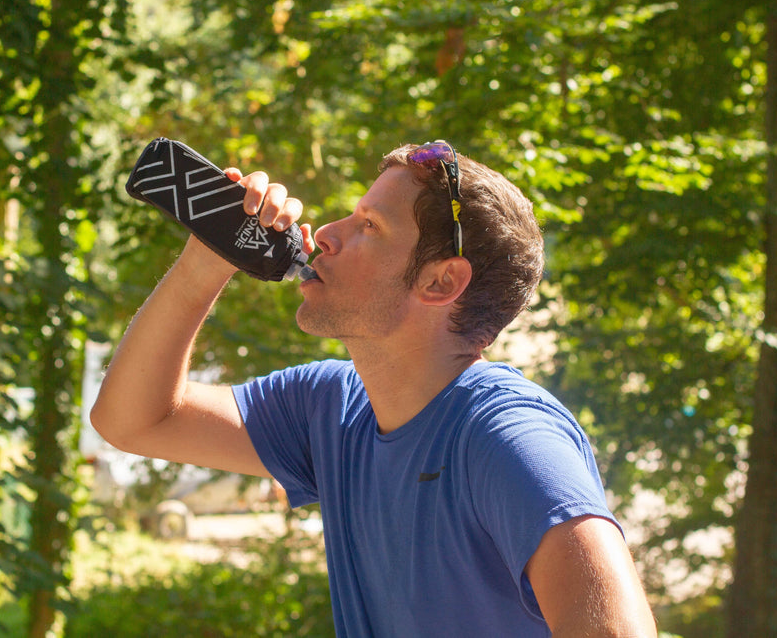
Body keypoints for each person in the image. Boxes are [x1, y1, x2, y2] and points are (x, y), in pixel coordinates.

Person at [91, 140, 657, 637]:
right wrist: (207, 261)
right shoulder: (330, 408)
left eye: (368, 226)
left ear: (441, 281)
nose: (325, 235)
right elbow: (133, 421)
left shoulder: (506, 435)